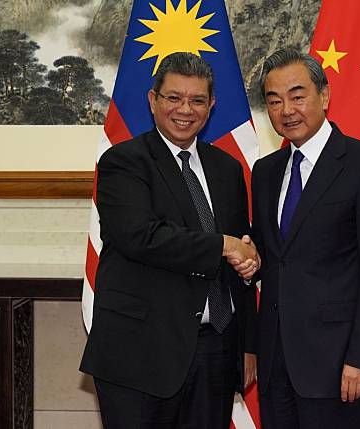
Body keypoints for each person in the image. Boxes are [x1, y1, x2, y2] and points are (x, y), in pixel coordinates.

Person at [80, 52, 259, 429]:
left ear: (211, 105)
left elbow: (240, 247)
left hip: (214, 352)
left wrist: (248, 265)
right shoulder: (123, 162)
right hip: (140, 355)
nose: (185, 109)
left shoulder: (227, 170)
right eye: (173, 97)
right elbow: (141, 237)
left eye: (197, 100)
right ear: (152, 100)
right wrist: (224, 246)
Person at [249, 48, 360, 428]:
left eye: (298, 96)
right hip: (275, 364)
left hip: (337, 365)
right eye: (274, 100)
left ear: (325, 96)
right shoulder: (265, 172)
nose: (287, 110)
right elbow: (272, 259)